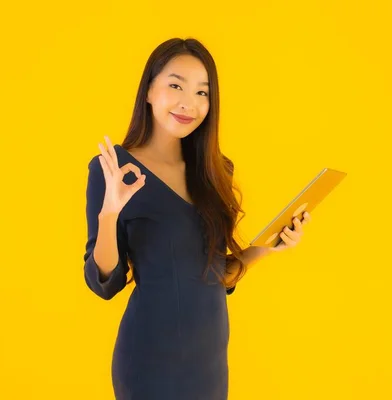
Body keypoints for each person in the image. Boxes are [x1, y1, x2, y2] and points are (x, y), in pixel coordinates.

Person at [83, 37, 311, 400]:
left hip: (209, 362)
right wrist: (110, 211)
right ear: (149, 90)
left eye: (203, 92)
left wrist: (270, 246)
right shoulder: (113, 169)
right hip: (149, 359)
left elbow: (216, 274)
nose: (190, 102)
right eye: (176, 85)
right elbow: (104, 281)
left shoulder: (216, 170)